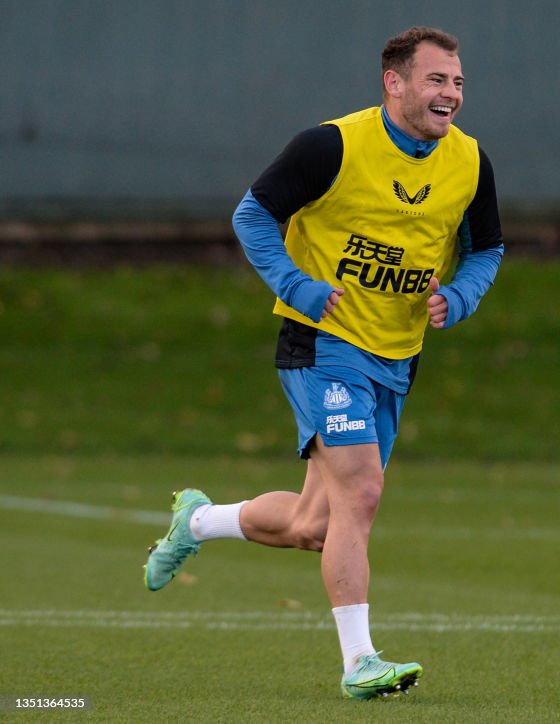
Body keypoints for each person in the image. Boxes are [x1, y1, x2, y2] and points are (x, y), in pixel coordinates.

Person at [143, 26, 503, 701]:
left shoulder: (471, 162)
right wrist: (296, 285)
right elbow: (252, 216)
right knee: (362, 493)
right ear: (393, 83)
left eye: (456, 81)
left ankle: (196, 520)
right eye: (436, 79)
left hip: (397, 353)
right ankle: (359, 662)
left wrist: (462, 293)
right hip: (321, 343)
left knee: (317, 525)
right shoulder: (330, 146)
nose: (451, 92)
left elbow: (487, 248)